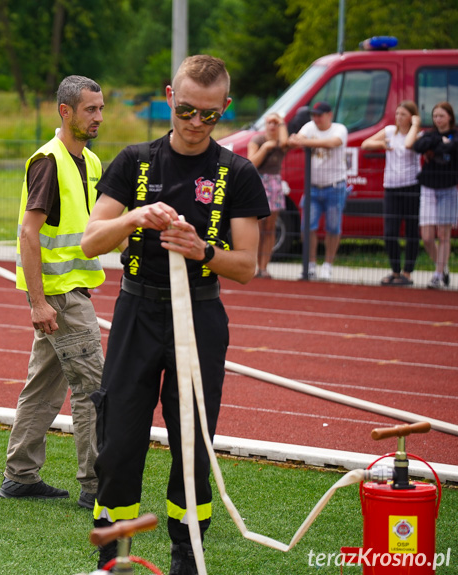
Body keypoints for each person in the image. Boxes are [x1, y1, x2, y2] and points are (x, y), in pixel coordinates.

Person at [80, 55, 269, 574]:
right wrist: (136, 216)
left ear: (225, 108)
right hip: (137, 308)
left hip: (200, 318)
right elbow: (90, 240)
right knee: (118, 438)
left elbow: (248, 266)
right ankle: (112, 552)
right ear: (170, 97)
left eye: (209, 114)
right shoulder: (134, 160)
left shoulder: (237, 172)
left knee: (192, 440)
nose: (194, 123)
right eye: (186, 110)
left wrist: (202, 249)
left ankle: (187, 552)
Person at [0, 76, 106, 509]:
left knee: (43, 386)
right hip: (61, 296)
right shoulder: (48, 161)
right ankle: (97, 485)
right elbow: (29, 232)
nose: (98, 116)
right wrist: (39, 301)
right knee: (94, 388)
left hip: (69, 290)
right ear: (66, 111)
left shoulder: (91, 162)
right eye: (90, 109)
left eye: (100, 108)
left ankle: (20, 475)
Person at [361, 101, 421, 286]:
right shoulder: (389, 131)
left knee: (411, 231)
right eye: (397, 114)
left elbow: (410, 143)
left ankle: (408, 272)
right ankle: (395, 271)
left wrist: (416, 124)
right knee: (390, 232)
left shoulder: (417, 135)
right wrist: (382, 143)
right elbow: (365, 144)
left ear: (411, 117)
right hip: (392, 187)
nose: (398, 118)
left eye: (403, 114)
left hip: (411, 186)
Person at [288, 101, 349, 280]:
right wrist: (296, 139)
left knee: (333, 227)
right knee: (307, 226)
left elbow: (333, 142)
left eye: (319, 115)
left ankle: (328, 265)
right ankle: (311, 264)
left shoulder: (339, 129)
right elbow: (294, 140)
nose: (316, 119)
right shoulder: (309, 126)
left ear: (329, 115)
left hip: (335, 186)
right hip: (313, 187)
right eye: (314, 115)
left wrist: (304, 141)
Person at [407, 101, 458, 289]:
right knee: (427, 236)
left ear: (450, 117)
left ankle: (437, 274)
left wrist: (441, 146)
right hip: (429, 187)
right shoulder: (431, 135)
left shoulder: (455, 135)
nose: (438, 119)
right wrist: (440, 143)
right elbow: (418, 146)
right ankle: (442, 267)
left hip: (448, 188)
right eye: (435, 116)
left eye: (441, 116)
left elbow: (451, 149)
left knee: (444, 234)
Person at [248, 112, 288, 278]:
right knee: (257, 227)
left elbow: (285, 142)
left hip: (274, 184)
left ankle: (264, 267)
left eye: (275, 123)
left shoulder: (281, 142)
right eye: (270, 122)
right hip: (259, 183)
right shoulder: (258, 140)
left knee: (270, 228)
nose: (272, 125)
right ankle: (253, 266)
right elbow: (252, 162)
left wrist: (282, 123)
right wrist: (265, 148)